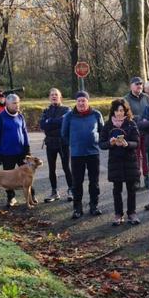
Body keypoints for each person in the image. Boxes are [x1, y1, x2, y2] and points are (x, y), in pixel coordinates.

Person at [61, 91, 105, 219]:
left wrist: (96, 142)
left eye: (83, 100)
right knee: (77, 183)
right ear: (76, 102)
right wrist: (73, 144)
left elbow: (102, 132)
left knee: (94, 182)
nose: (81, 103)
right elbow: (64, 134)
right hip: (77, 154)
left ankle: (94, 206)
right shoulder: (69, 116)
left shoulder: (96, 114)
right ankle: (77, 208)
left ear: (88, 101)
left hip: (93, 153)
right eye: (79, 101)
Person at [100, 99, 141, 226]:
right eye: (117, 110)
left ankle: (132, 213)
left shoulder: (131, 124)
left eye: (122, 110)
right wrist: (110, 143)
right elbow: (101, 144)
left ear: (125, 111)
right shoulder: (107, 125)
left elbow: (137, 142)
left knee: (131, 189)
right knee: (116, 189)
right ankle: (118, 214)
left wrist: (127, 144)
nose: (119, 113)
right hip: (115, 161)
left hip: (130, 160)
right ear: (113, 111)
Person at [0, 93, 32, 208]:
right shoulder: (0, 118)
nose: (17, 105)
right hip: (7, 153)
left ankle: (30, 196)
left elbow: (25, 133)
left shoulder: (20, 116)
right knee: (8, 179)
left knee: (28, 175)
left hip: (21, 153)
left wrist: (27, 148)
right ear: (7, 104)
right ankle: (11, 198)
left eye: (18, 103)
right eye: (14, 103)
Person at [40, 88, 73, 203]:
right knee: (51, 168)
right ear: (49, 97)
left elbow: (63, 123)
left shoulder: (67, 109)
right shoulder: (46, 110)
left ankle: (71, 189)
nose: (54, 96)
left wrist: (50, 122)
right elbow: (43, 125)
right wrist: (55, 122)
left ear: (60, 97)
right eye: (52, 95)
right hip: (50, 143)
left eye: (56, 95)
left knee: (66, 167)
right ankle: (54, 192)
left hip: (63, 143)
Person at [124, 76, 149, 190]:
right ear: (131, 86)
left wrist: (146, 119)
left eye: (140, 84)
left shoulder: (146, 97)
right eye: (136, 84)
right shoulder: (126, 99)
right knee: (135, 157)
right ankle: (136, 179)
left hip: (146, 131)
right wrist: (140, 118)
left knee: (146, 156)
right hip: (133, 132)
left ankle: (147, 178)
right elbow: (126, 115)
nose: (139, 86)